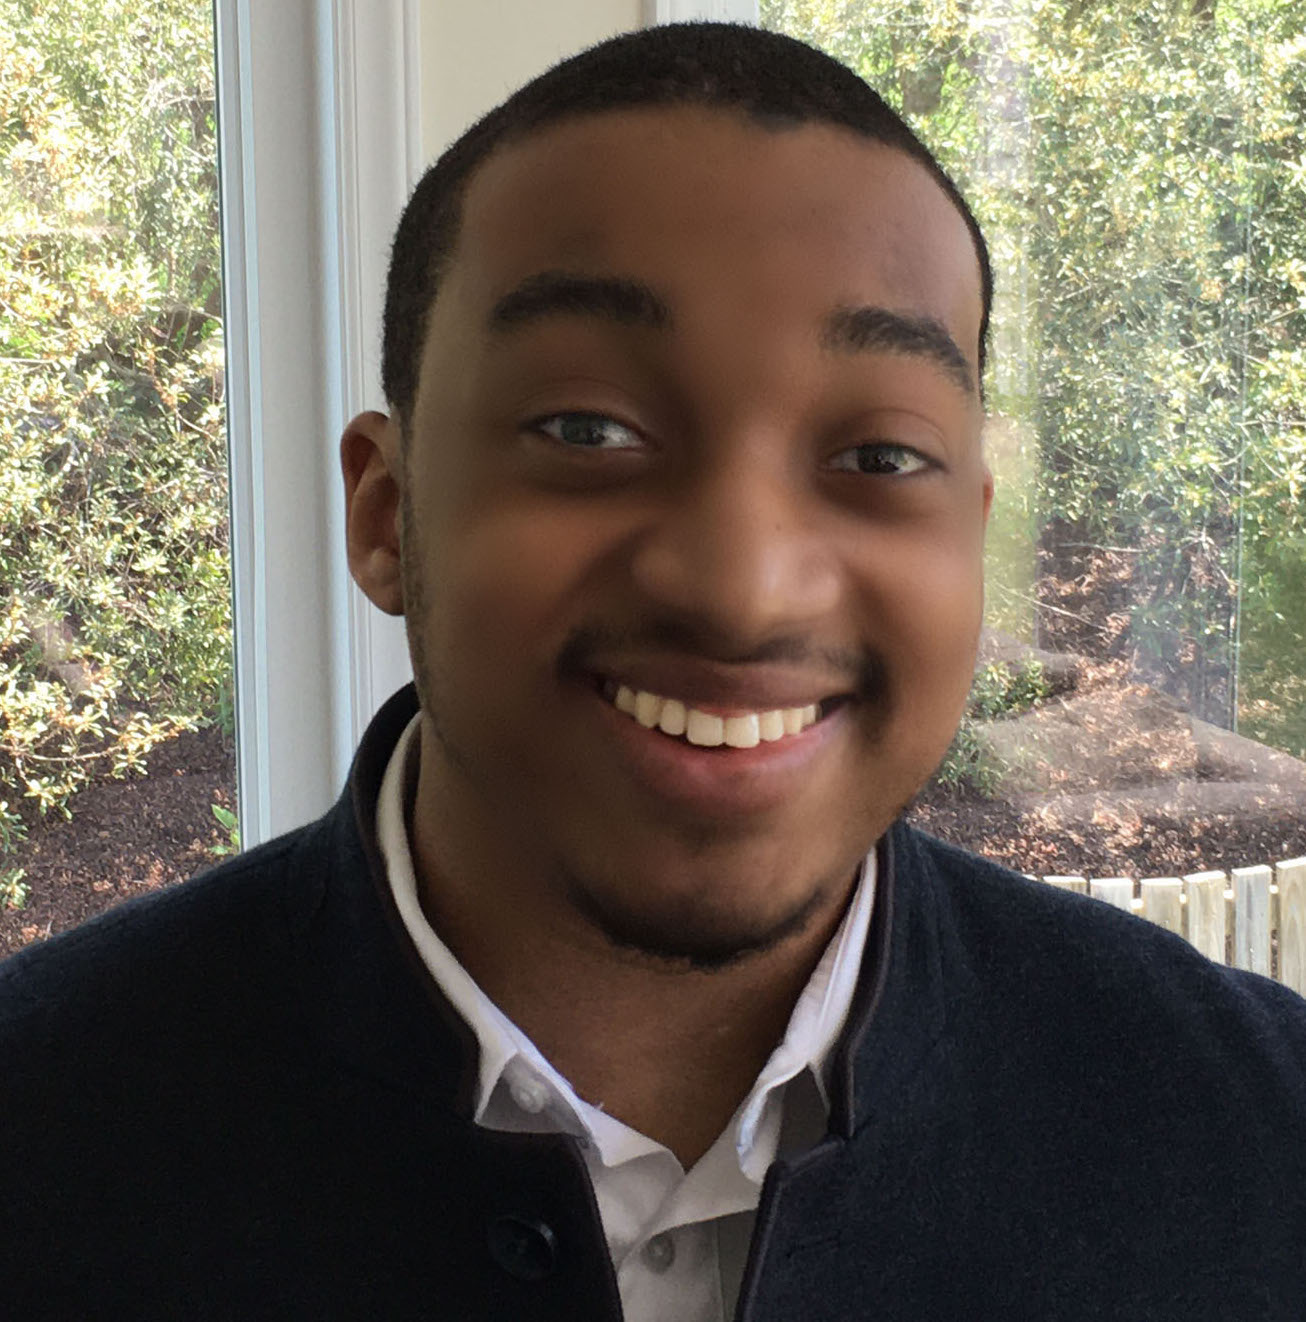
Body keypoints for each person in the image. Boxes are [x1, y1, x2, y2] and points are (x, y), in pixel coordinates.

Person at [2, 21, 1304, 1321]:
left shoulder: (1263, 1140)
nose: (741, 586)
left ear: (966, 537)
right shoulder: (43, 1135)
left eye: (879, 454)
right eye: (587, 427)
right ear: (387, 514)